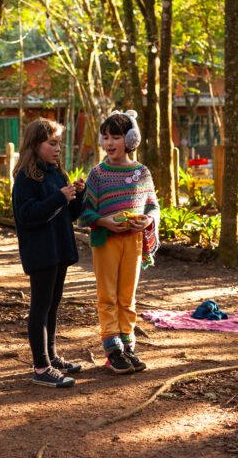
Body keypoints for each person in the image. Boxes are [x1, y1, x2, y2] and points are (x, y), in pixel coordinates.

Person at [78, 110, 160, 374]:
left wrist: (148, 221)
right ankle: (112, 349)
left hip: (133, 242)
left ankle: (127, 345)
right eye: (105, 137)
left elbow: (153, 207)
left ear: (131, 139)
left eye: (115, 137)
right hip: (105, 242)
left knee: (127, 296)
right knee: (108, 296)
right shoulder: (98, 174)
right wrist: (104, 221)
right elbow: (85, 211)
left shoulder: (142, 172)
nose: (109, 143)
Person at [12, 118, 85, 388]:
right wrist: (59, 197)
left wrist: (78, 194)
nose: (57, 149)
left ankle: (52, 357)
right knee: (40, 307)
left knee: (53, 304)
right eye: (51, 143)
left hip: (60, 247)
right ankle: (41, 366)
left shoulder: (57, 172)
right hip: (40, 250)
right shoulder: (25, 177)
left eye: (59, 144)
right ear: (35, 144)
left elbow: (72, 214)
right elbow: (27, 215)